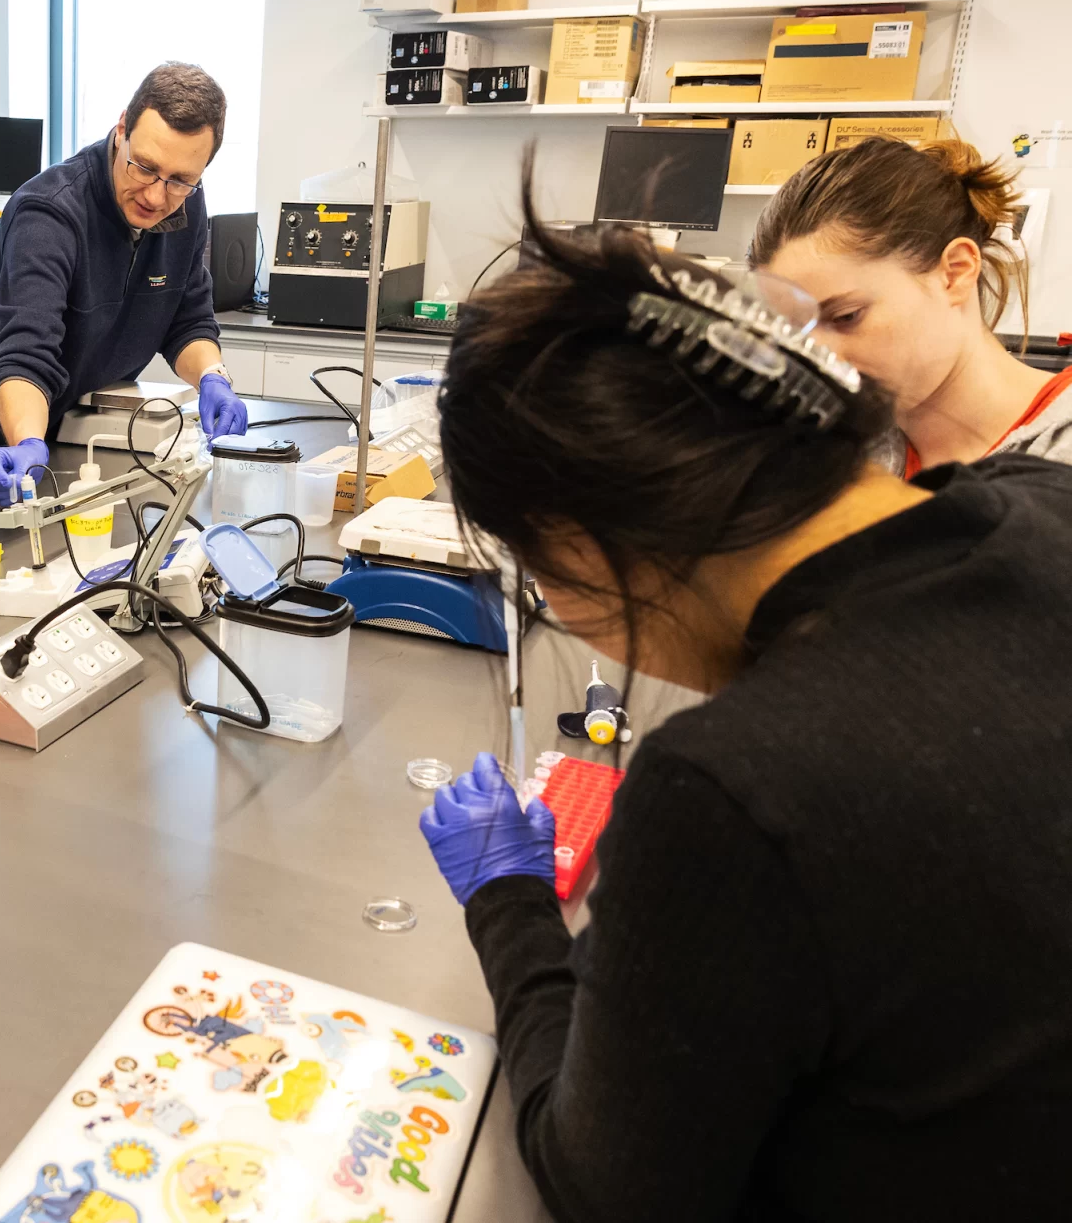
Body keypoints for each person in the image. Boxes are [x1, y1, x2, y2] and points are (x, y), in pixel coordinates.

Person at [415, 171, 1072, 1219]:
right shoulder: (1042, 503)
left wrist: (510, 908)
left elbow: (601, 1184)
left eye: (538, 572)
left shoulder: (730, 789)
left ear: (579, 544)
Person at [0, 62, 250, 506]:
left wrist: (213, 376)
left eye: (180, 181)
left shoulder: (184, 201)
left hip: (70, 418)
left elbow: (186, 318)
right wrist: (26, 444)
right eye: (145, 168)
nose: (156, 196)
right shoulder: (50, 213)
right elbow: (26, 351)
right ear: (121, 131)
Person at [751, 135, 1071, 475]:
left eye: (847, 317)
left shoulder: (1057, 456)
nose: (821, 362)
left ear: (955, 272)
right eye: (797, 333)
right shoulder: (841, 452)